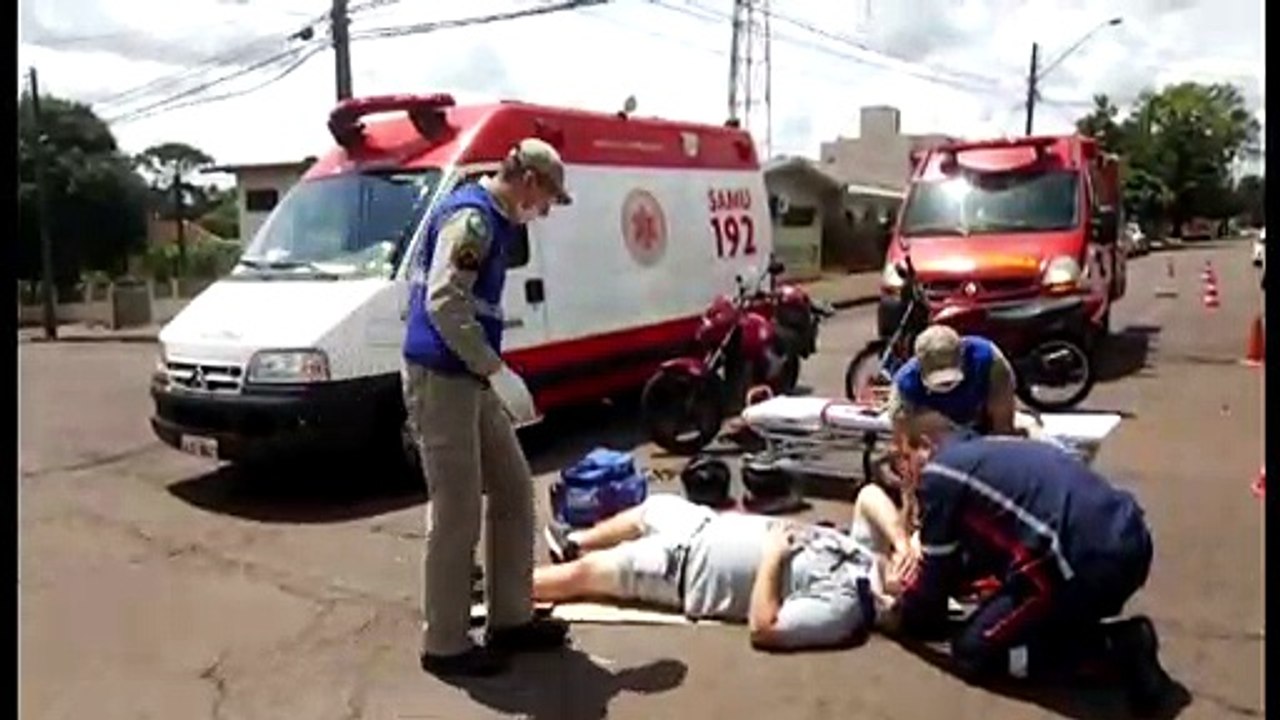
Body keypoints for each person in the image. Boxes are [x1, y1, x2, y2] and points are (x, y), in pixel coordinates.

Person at [402, 138, 574, 677]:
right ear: (529, 182)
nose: (544, 211)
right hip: (443, 377)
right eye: (546, 199)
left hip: (469, 376)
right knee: (457, 510)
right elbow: (444, 303)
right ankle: (445, 644)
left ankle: (511, 618)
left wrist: (490, 373)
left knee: (514, 489)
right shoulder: (473, 221)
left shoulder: (495, 221)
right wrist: (496, 370)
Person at [884, 407, 1175, 716]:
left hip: (1078, 561)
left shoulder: (941, 473)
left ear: (926, 445)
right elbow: (986, 545)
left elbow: (935, 577)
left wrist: (904, 611)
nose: (904, 473)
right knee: (1021, 610)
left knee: (972, 652)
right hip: (1128, 542)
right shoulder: (993, 449)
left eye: (903, 458)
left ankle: (1114, 649)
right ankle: (1083, 635)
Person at [535, 485, 915, 652]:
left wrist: (773, 556)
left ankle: (511, 590)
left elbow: (764, 629)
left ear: (896, 604)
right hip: (704, 524)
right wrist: (899, 540)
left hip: (682, 569)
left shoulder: (844, 610)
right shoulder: (867, 557)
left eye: (911, 572)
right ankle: (574, 541)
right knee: (652, 508)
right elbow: (869, 496)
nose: (907, 561)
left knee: (583, 575)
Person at [885, 325, 1019, 436]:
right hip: (938, 427)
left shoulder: (988, 358)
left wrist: (1001, 432)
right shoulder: (905, 382)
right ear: (919, 365)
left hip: (982, 413)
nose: (946, 384)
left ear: (962, 354)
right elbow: (900, 425)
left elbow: (1004, 398)